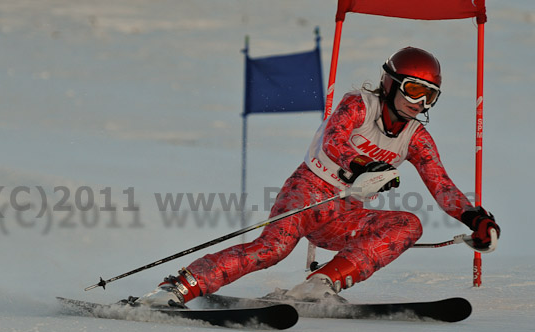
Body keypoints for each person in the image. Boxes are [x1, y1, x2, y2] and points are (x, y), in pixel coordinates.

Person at [136, 46, 501, 307]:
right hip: (306, 195)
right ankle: (179, 287)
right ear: (389, 83)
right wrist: (362, 166)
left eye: (430, 95)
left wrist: (474, 217)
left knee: (408, 224)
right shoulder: (359, 103)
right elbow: (335, 140)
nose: (419, 103)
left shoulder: (416, 138)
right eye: (414, 89)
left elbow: (441, 184)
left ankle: (320, 284)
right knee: (272, 250)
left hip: (342, 216)